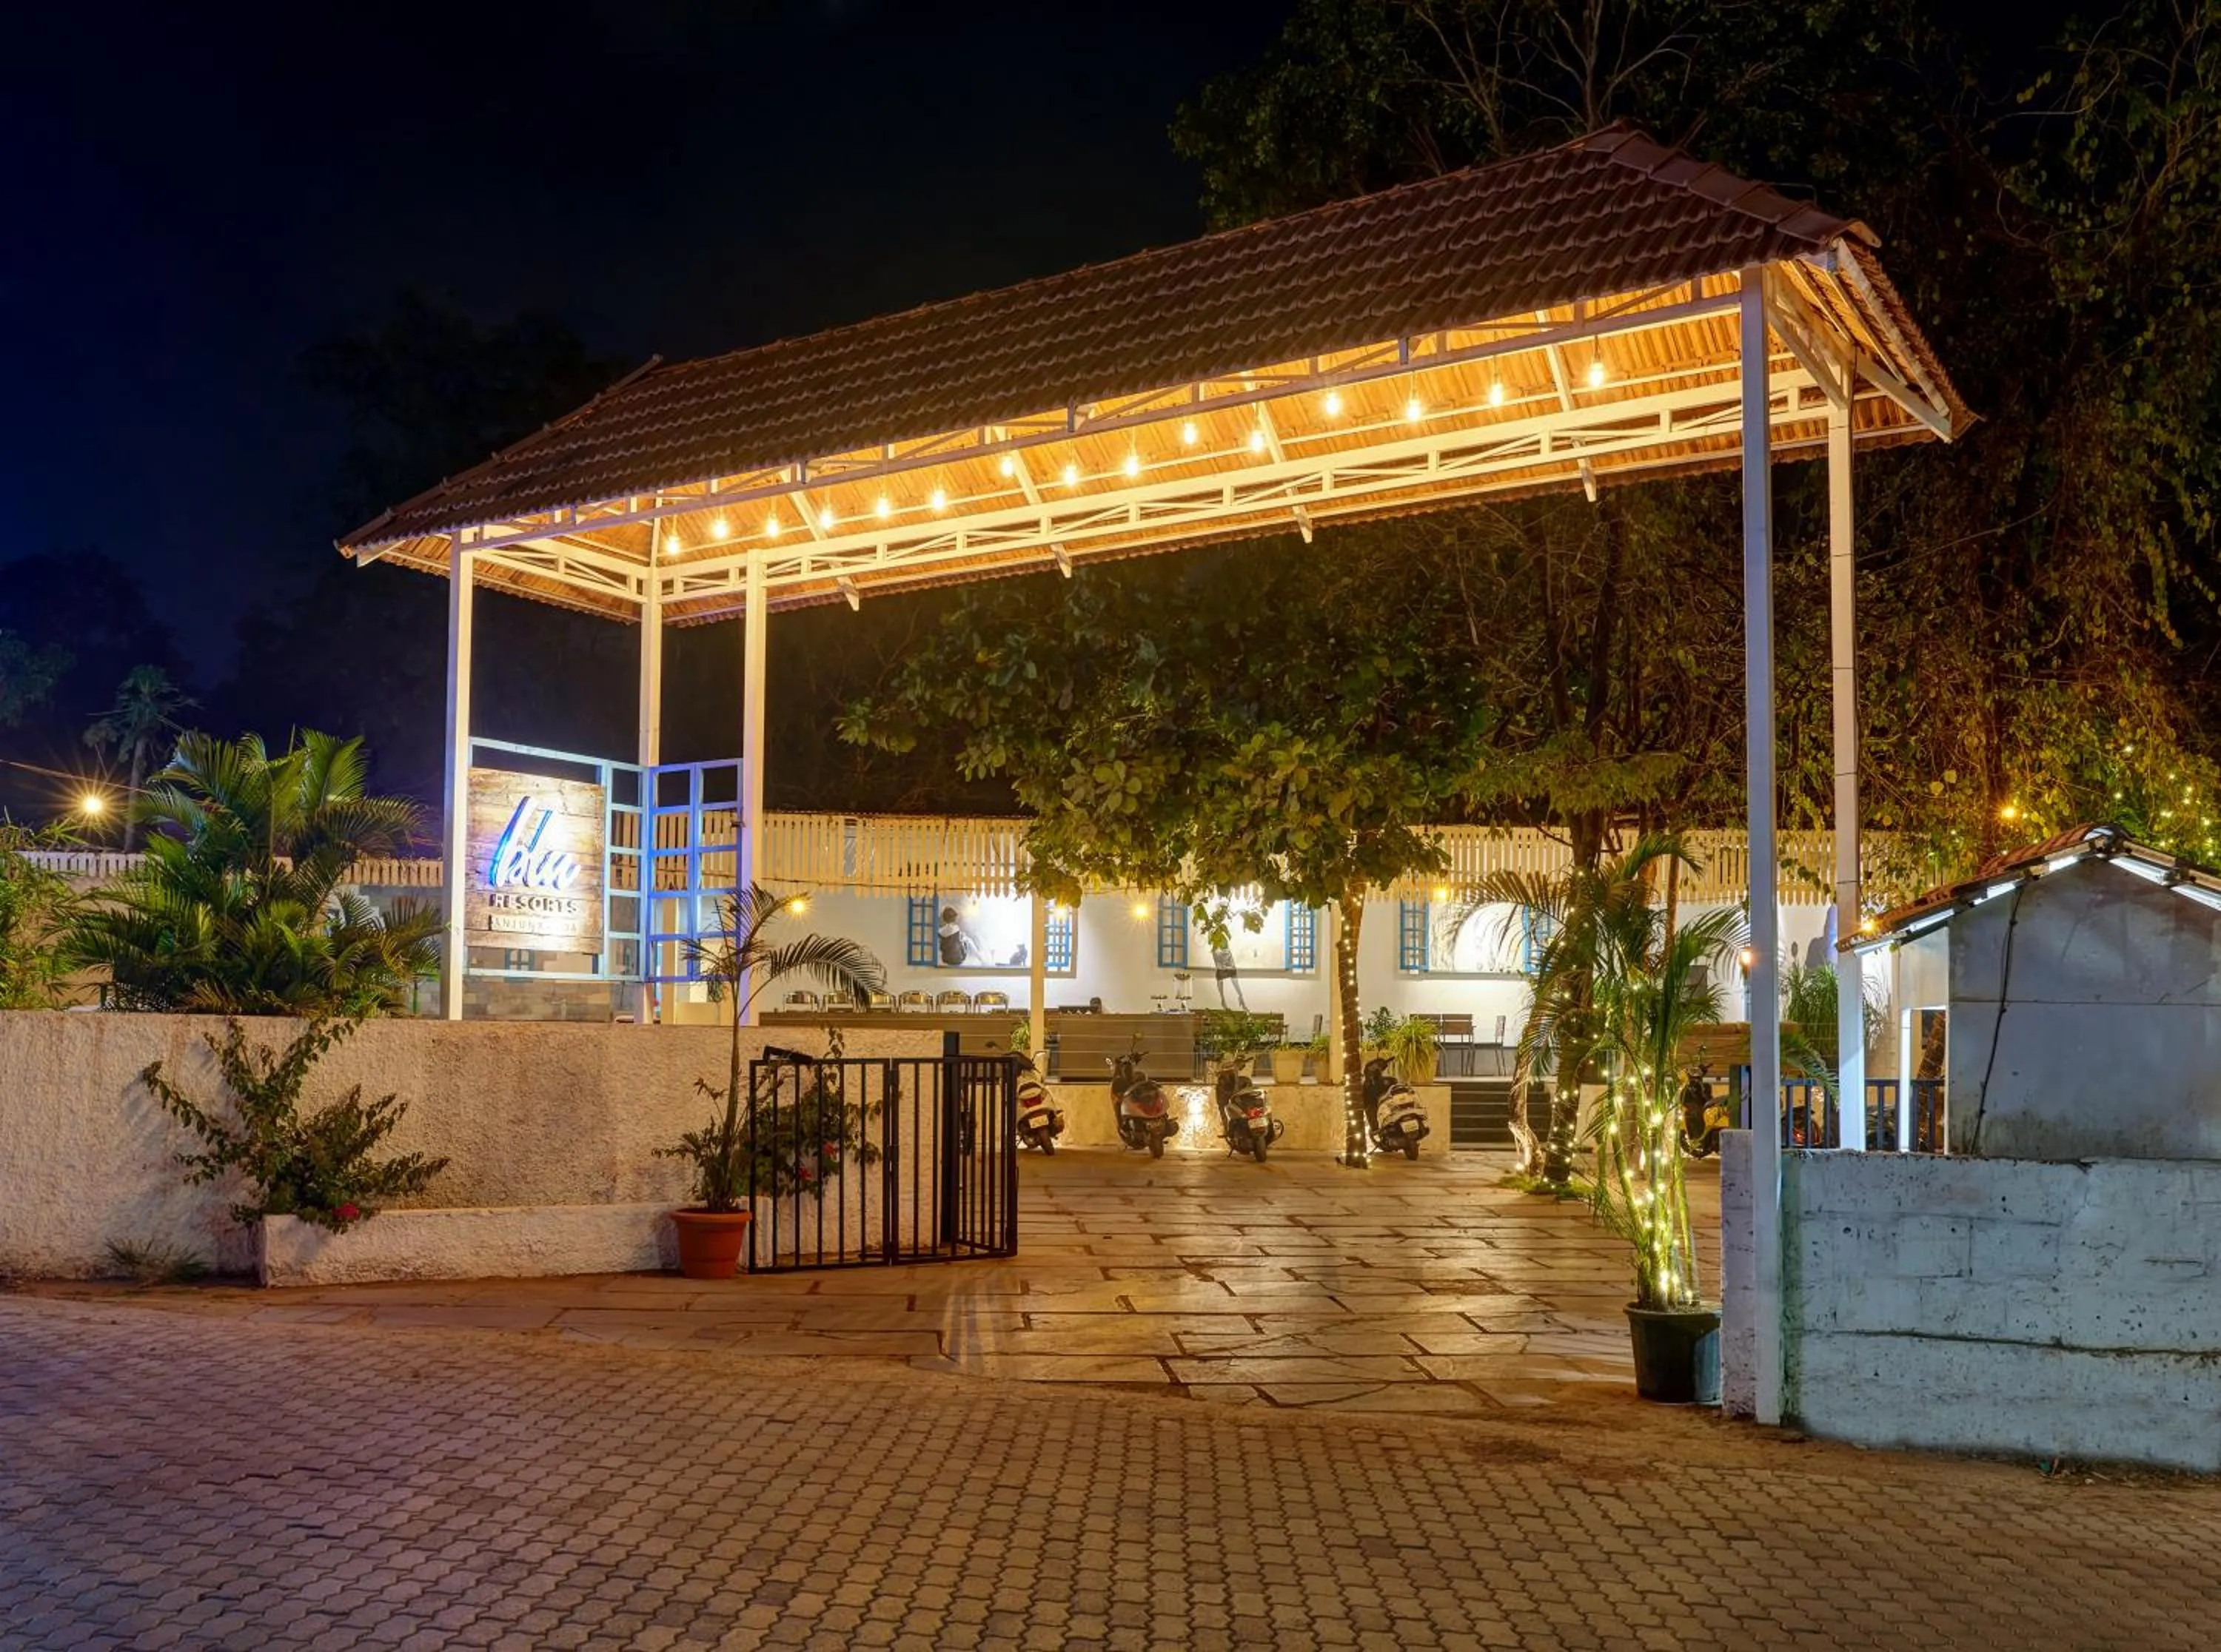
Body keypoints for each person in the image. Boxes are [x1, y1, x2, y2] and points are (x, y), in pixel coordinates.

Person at [1212, 942, 1246, 1009]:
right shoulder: (1216, 951)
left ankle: (1240, 997)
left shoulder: (1225, 951)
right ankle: (1223, 1000)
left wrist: (1227, 967)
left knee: (1234, 981)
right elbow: (1219, 965)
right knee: (1220, 979)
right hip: (1222, 969)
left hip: (1228, 969)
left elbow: (1232, 966)